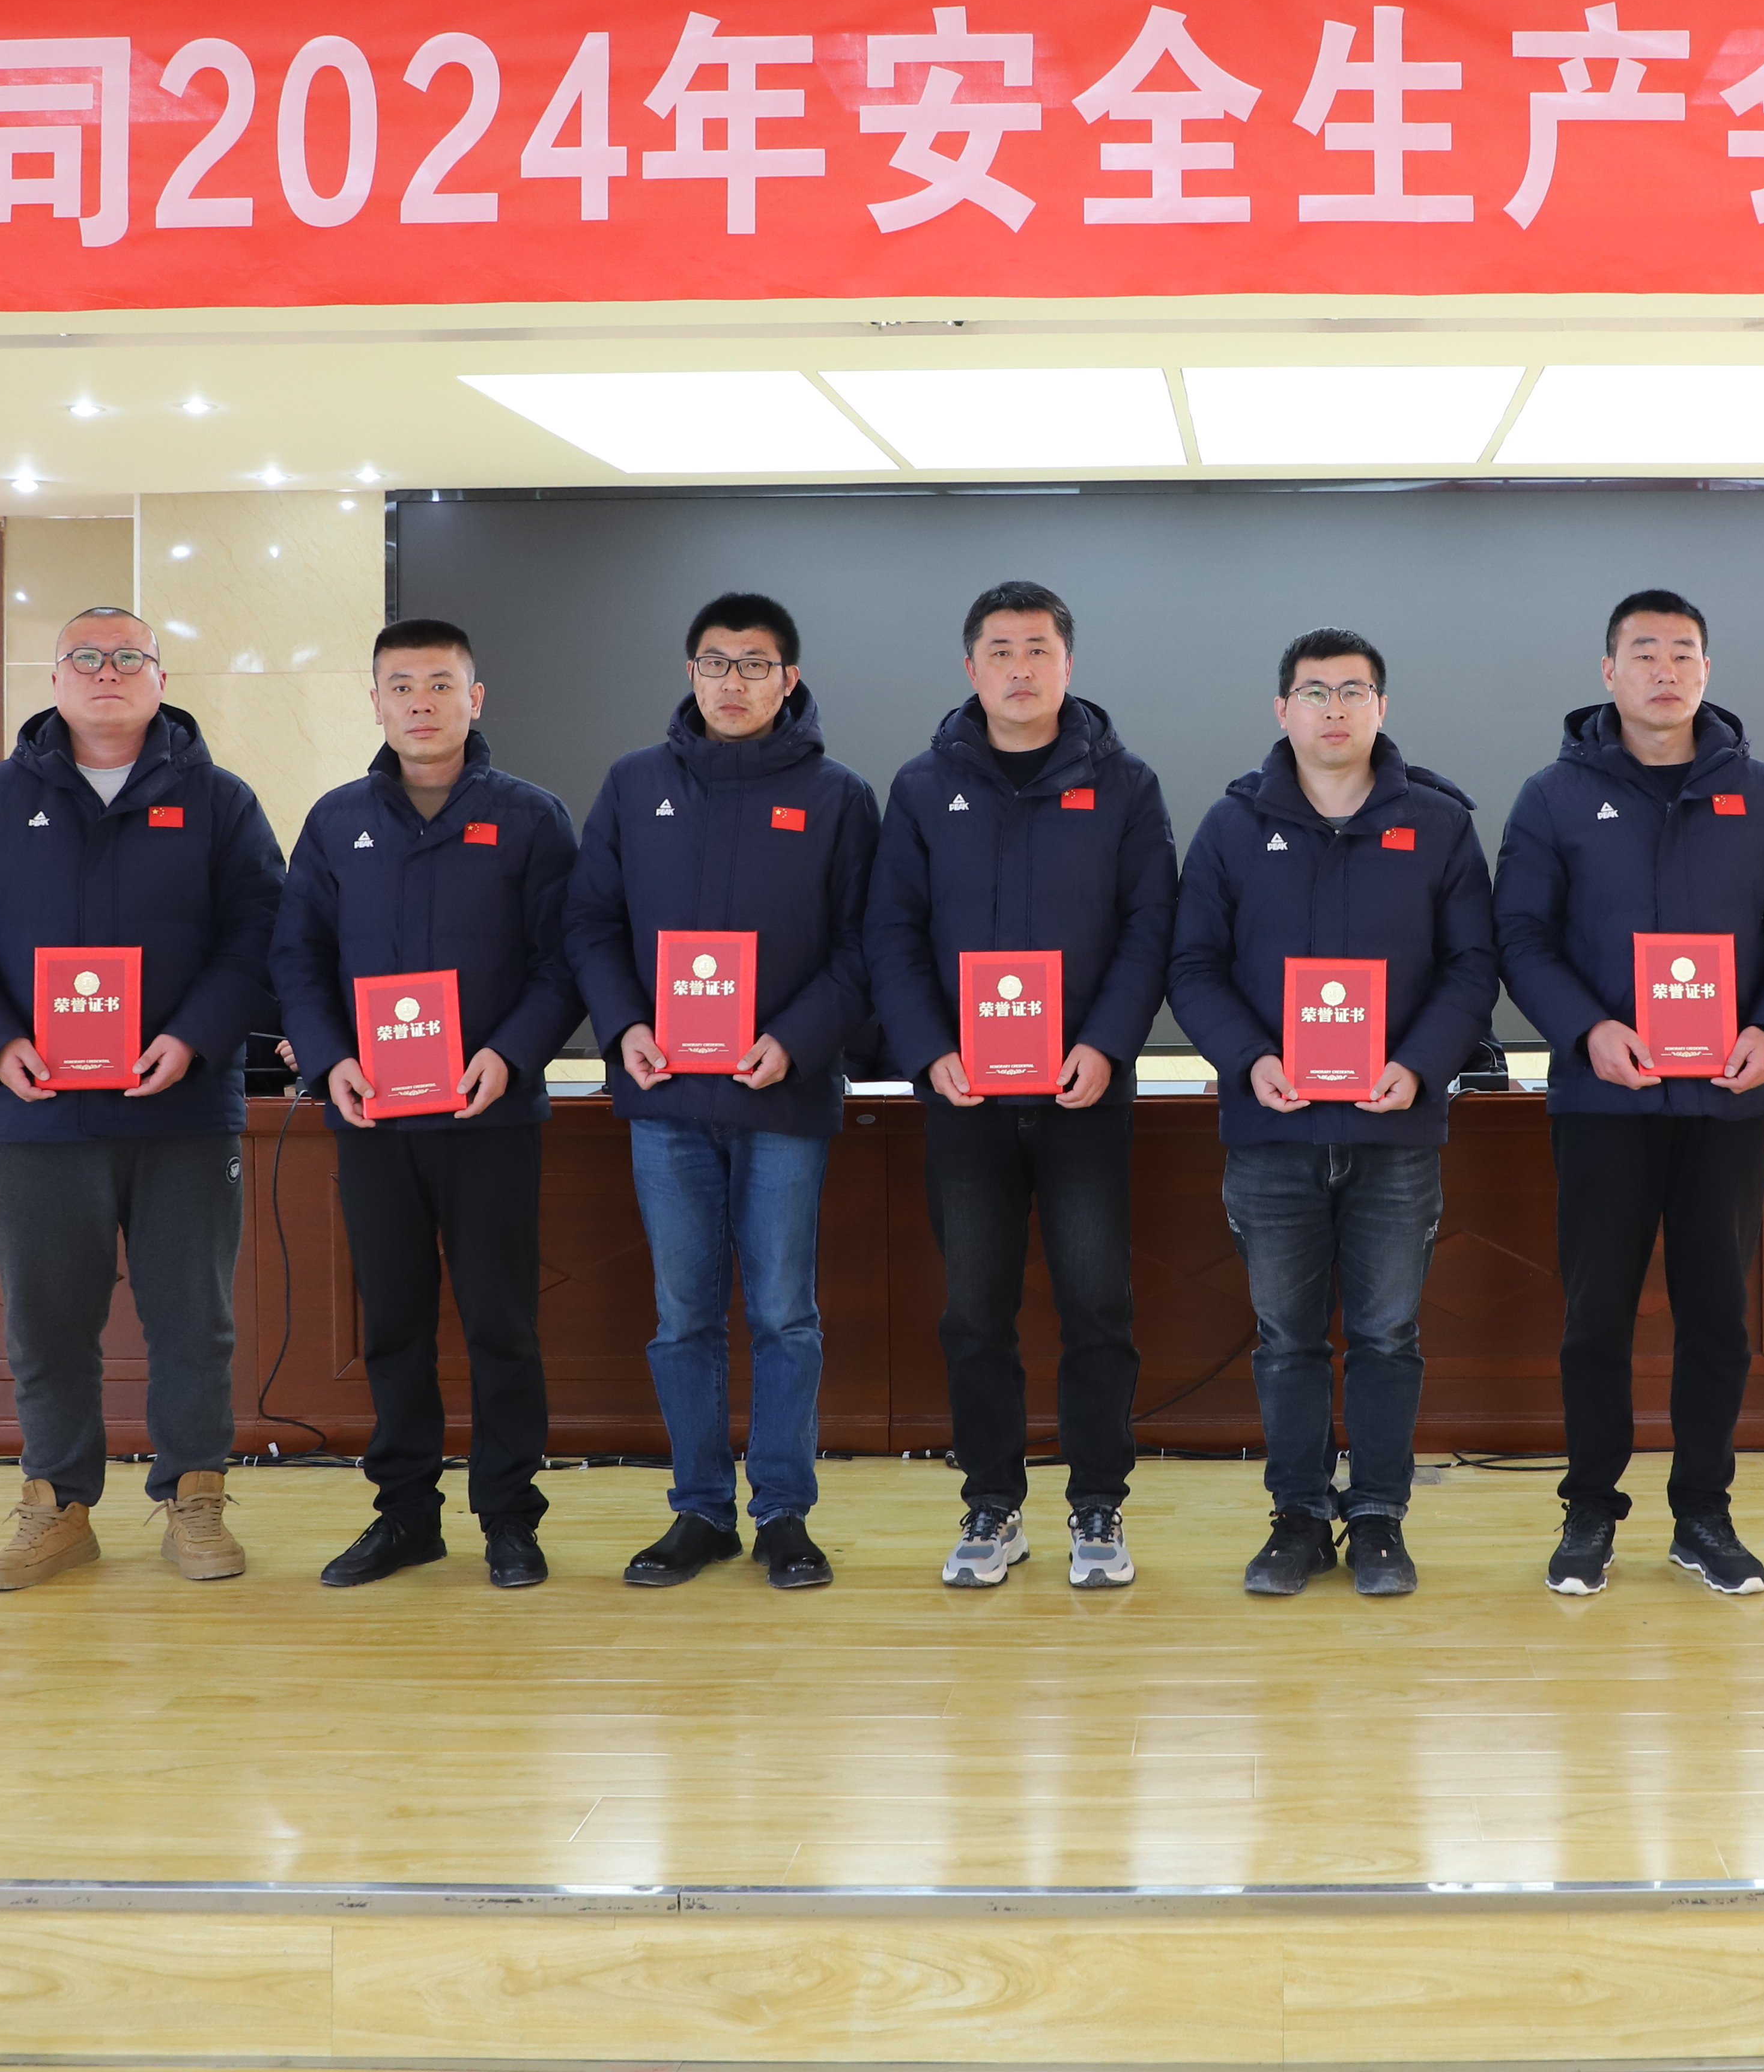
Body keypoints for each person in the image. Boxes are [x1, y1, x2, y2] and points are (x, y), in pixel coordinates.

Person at [0, 606, 287, 1591]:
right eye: (86, 656)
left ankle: (195, 1498)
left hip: (184, 1110)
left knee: (194, 1320)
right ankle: (58, 1506)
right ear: (54, 679)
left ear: (160, 678)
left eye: (128, 657)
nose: (106, 671)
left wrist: (192, 1038)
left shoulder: (221, 802)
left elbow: (261, 935)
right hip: (38, 1111)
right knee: (48, 1323)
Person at [1494, 588, 1764, 1597]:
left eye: (1683, 652)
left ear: (1707, 672)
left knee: (1718, 1319)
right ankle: (1590, 1510)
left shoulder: (1761, 794)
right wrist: (1586, 1030)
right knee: (1596, 1316)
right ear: (1608, 673)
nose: (1664, 670)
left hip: (1725, 1103)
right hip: (1604, 1101)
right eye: (1644, 652)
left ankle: (1703, 1514)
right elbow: (1521, 937)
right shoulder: (1554, 796)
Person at [1168, 627, 1500, 1599]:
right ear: (1283, 710)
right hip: (1273, 1129)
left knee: (1389, 1335)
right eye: (1314, 692)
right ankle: (1300, 1518)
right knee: (1288, 1340)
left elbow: (1472, 967)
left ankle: (1381, 1517)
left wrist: (1419, 1065)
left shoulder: (1438, 824)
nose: (1334, 709)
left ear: (1381, 708)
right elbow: (1193, 966)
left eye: (1353, 691)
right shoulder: (1232, 827)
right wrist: (1251, 1059)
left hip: (1396, 1129)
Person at [864, 580, 1177, 1591]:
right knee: (973, 1312)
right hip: (965, 1098)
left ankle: (1099, 1505)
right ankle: (992, 1505)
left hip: (1085, 1093)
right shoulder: (923, 787)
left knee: (1098, 1306)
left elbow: (1150, 930)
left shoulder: (1127, 785)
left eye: (1038, 648)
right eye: (1000, 650)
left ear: (1067, 664)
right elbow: (891, 933)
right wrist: (929, 1051)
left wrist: (1108, 1045)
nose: (1020, 668)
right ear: (972, 668)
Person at [566, 591, 879, 1594]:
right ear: (690, 672)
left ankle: (783, 1512)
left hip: (783, 1097)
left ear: (789, 678)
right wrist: (626, 1026)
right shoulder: (634, 784)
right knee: (683, 1317)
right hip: (666, 1099)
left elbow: (865, 946)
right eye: (714, 662)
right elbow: (590, 924)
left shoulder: (837, 796)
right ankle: (700, 1509)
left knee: (785, 1313)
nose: (732, 682)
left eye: (754, 665)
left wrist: (795, 1042)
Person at [273, 618, 583, 1593]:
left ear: (475, 699)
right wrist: (331, 1061)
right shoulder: (335, 822)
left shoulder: (532, 818)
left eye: (441, 683)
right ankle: (406, 1515)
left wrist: (510, 1055)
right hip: (374, 1118)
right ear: (375, 701)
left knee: (501, 1324)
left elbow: (563, 961)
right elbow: (297, 957)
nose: (420, 702)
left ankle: (510, 1517)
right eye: (401, 685)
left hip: (492, 1115)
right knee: (394, 1324)